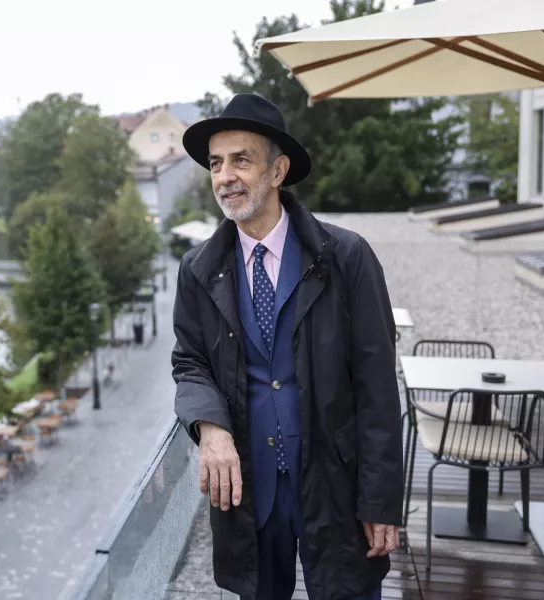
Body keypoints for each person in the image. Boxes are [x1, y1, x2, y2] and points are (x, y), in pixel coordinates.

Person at [172, 93, 403, 600]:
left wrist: (382, 502)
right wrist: (209, 426)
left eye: (241, 160)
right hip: (250, 489)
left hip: (334, 483)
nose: (225, 176)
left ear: (278, 171)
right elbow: (189, 363)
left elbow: (378, 388)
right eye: (216, 163)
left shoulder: (347, 258)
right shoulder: (197, 270)